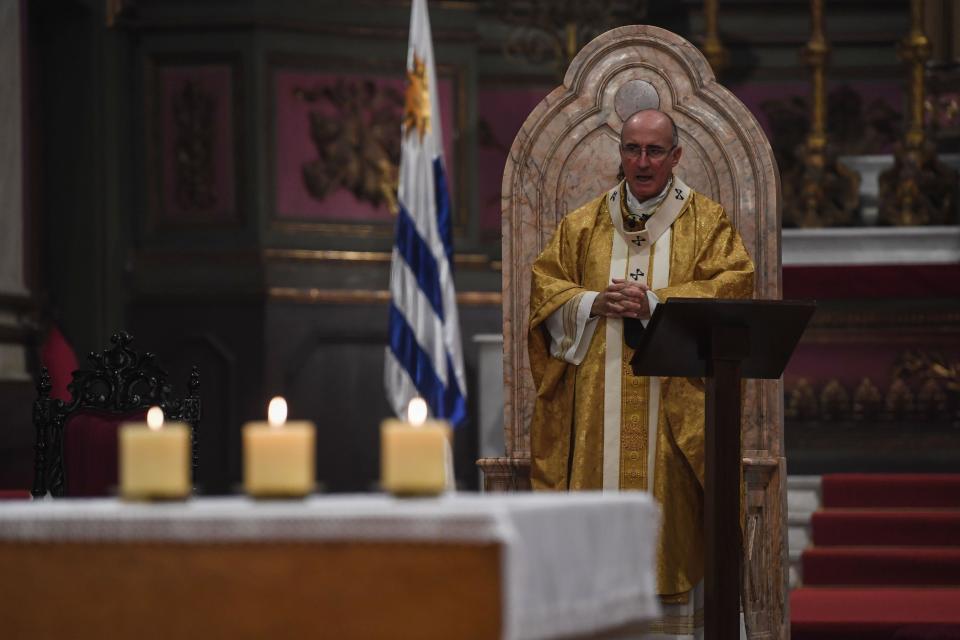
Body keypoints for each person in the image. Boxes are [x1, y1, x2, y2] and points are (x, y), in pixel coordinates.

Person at [527, 109, 755, 621]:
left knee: (670, 521)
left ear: (676, 156)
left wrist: (654, 303)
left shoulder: (708, 223)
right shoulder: (583, 224)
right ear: (621, 153)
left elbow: (735, 285)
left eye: (655, 150)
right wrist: (589, 304)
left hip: (672, 412)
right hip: (595, 417)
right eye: (632, 149)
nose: (642, 161)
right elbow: (546, 289)